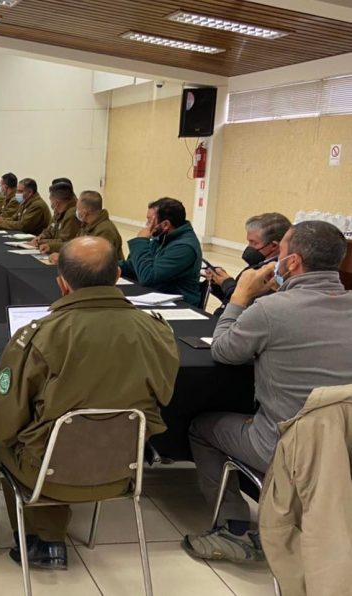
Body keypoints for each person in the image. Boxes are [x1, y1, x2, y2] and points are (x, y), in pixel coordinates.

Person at [0, 236, 179, 570]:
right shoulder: (157, 331)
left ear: (62, 284)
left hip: (50, 474)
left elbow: (5, 419)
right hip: (122, 469)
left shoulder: (40, 336)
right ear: (117, 276)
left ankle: (43, 539)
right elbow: (165, 395)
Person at [182, 220, 352, 564]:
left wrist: (241, 296)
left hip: (286, 447)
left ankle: (234, 530)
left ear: (291, 263)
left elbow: (224, 350)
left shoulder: (271, 311)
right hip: (345, 447)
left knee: (201, 427)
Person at [121, 198, 202, 305]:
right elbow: (135, 266)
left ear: (165, 225)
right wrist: (111, 268)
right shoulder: (162, 237)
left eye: (150, 221)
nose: (147, 225)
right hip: (155, 295)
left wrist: (140, 241)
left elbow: (148, 277)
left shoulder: (184, 248)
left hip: (178, 304)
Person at [206, 213, 291, 315]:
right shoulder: (258, 263)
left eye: (253, 242)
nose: (249, 246)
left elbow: (248, 303)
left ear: (273, 245)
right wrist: (219, 283)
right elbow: (231, 301)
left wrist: (227, 283)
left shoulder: (275, 272)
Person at [68, 190, 124, 260]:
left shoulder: (105, 230)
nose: (76, 211)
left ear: (84, 213)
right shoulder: (87, 225)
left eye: (78, 208)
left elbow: (98, 260)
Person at [33, 183, 79, 253]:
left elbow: (65, 241)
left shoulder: (71, 214)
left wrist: (41, 241)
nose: (50, 202)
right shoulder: (58, 210)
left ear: (57, 202)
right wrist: (42, 236)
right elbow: (50, 229)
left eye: (50, 199)